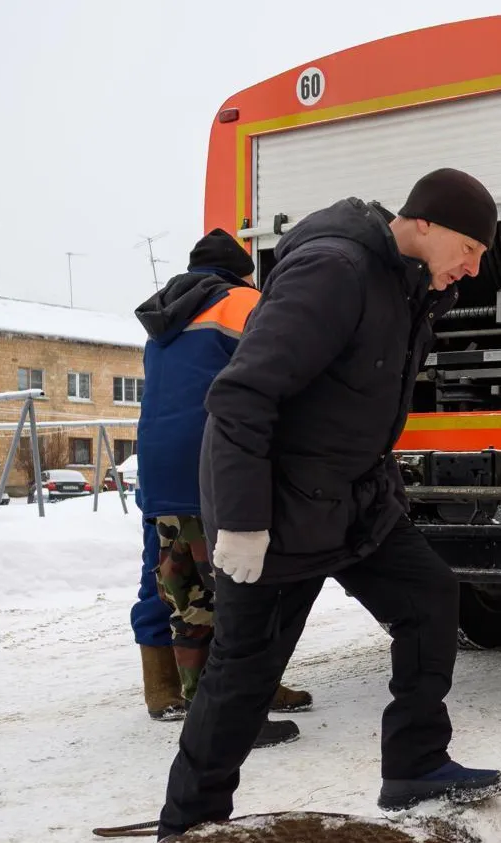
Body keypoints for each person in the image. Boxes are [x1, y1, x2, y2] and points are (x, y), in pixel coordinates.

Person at [158, 169, 501, 839]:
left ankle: (414, 764)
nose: (473, 267)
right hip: (278, 511)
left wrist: (384, 492)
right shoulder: (335, 270)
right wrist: (242, 525)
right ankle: (188, 830)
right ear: (424, 224)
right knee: (244, 673)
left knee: (429, 595)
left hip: (351, 503)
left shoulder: (407, 291)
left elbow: (355, 409)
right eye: (470, 248)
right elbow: (241, 398)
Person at [131, 230, 312, 748]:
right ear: (243, 272)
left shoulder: (165, 313)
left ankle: (163, 687)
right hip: (211, 459)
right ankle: (239, 697)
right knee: (240, 586)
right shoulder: (243, 302)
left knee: (170, 577)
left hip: (159, 462)